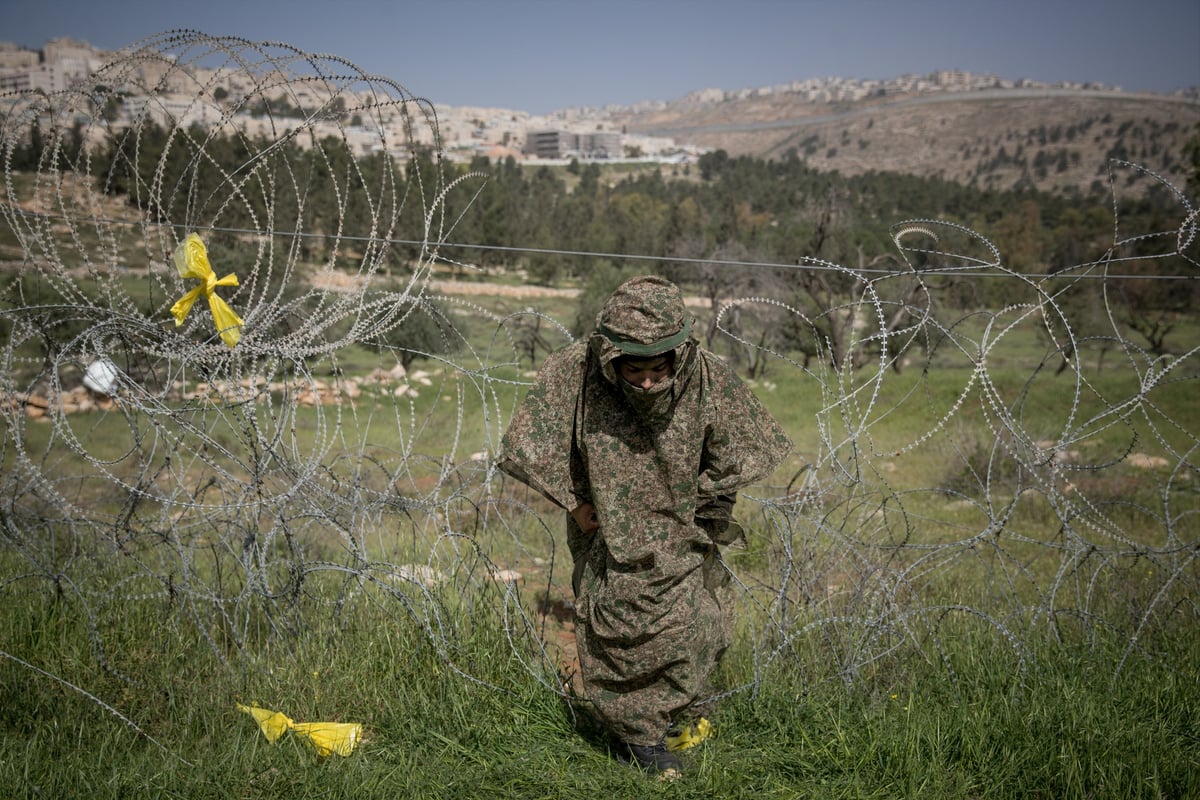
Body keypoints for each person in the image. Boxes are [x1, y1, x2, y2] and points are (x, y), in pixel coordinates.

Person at [498, 275, 791, 778]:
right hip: (604, 524)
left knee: (693, 619)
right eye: (635, 371)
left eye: (660, 370)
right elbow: (533, 443)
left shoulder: (705, 378)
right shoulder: (576, 373)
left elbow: (742, 449)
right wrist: (573, 503)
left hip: (681, 522)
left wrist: (708, 512)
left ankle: (671, 713)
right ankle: (638, 736)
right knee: (618, 624)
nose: (649, 383)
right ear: (612, 358)